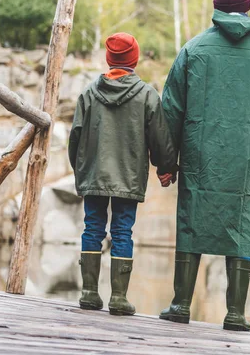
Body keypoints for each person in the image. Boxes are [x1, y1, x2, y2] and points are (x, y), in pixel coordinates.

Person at [158, 0, 250, 331]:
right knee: (243, 224)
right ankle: (235, 314)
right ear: (246, 6)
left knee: (192, 222)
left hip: (199, 159)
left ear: (217, 7)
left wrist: (166, 162)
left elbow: (170, 109)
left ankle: (181, 305)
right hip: (249, 160)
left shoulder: (194, 49)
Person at [68, 32, 177, 316]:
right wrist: (166, 168)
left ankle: (89, 293)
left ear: (108, 58)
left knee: (92, 228)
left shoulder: (89, 94)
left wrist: (81, 173)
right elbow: (160, 138)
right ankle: (118, 297)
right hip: (127, 176)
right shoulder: (147, 95)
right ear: (135, 59)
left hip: (93, 175)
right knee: (122, 231)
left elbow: (75, 138)